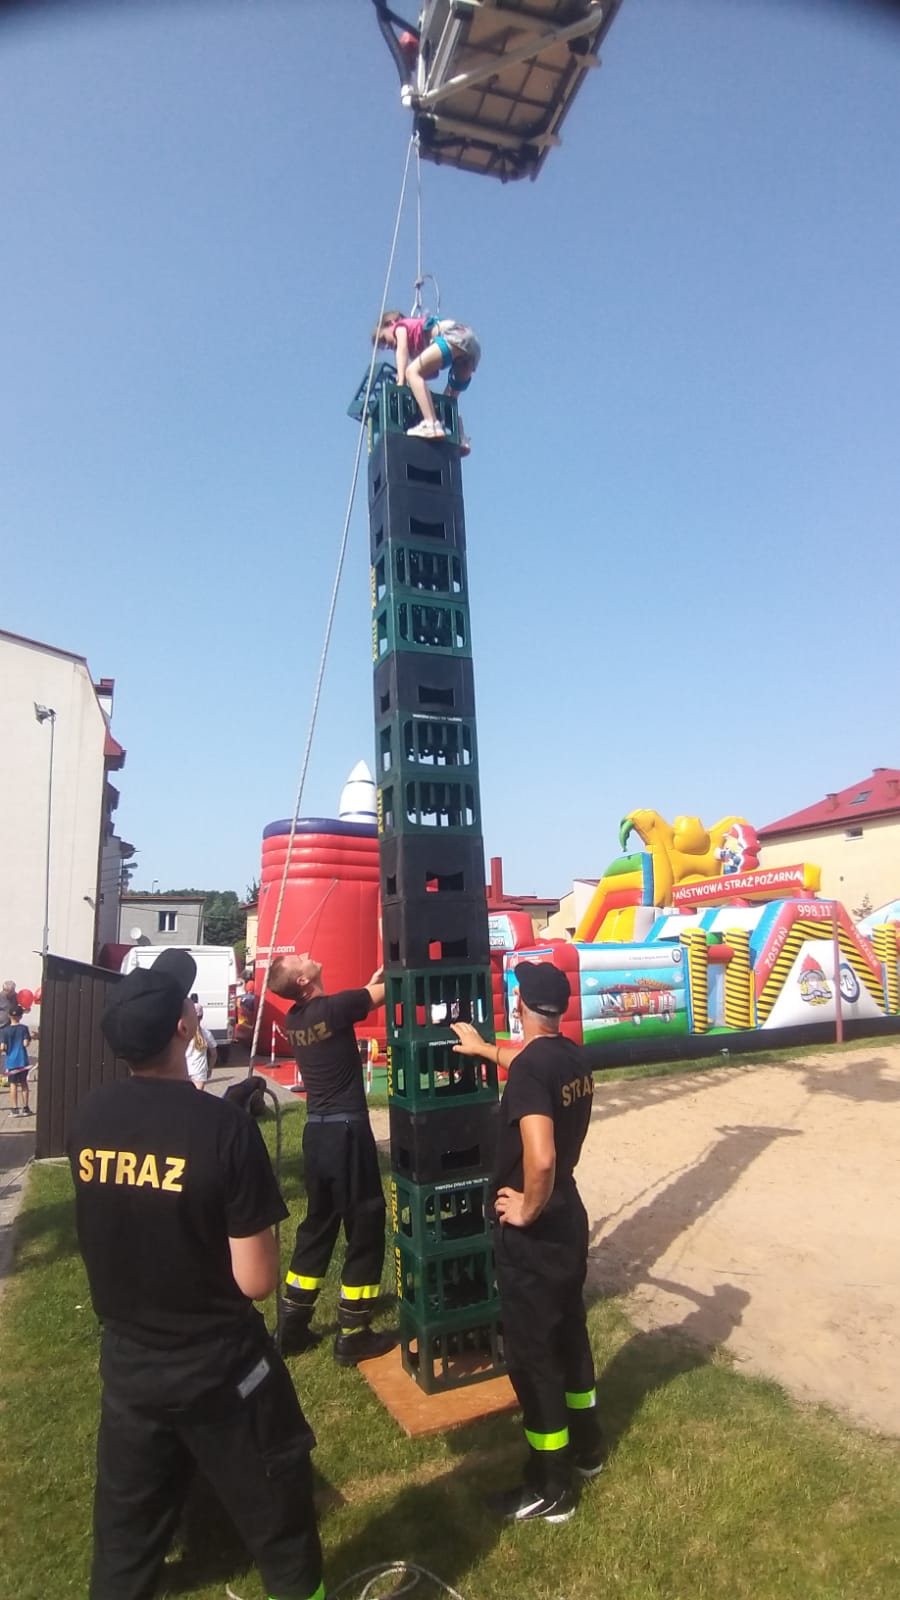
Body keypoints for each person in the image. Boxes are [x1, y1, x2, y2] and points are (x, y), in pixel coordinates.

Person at [68, 948, 324, 1600]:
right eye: (188, 1001)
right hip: (219, 1368)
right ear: (184, 1028)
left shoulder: (90, 1117)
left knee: (126, 1542)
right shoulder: (224, 1132)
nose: (194, 1006)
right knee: (282, 1525)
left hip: (130, 1366)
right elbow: (256, 1280)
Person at [451, 960, 604, 1524]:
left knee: (533, 1357)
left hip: (536, 1229)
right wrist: (485, 1050)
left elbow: (540, 1157)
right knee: (570, 1335)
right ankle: (588, 1448)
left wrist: (525, 1208)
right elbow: (529, 1062)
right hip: (570, 1219)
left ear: (519, 1006)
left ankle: (550, 1487)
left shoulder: (532, 1074)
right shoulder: (571, 1057)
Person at [266, 955, 396, 1365]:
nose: (307, 955)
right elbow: (394, 989)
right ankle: (354, 1332)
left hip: (317, 1133)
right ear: (304, 980)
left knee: (319, 1224)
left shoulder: (296, 1019)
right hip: (346, 1132)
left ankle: (292, 1324)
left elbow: (352, 1003)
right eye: (300, 960)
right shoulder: (335, 1008)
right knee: (365, 1222)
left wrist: (369, 984)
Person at [373, 310, 481, 449]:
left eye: (383, 340)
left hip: (455, 336)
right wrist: (416, 382)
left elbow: (402, 351)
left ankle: (431, 424)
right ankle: (461, 437)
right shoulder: (419, 340)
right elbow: (434, 373)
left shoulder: (400, 327)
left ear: (390, 323)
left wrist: (401, 381)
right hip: (471, 346)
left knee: (411, 372)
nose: (388, 346)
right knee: (447, 402)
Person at [1, 1005, 32, 1116]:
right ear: (21, 1016)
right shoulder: (24, 1028)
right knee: (24, 1084)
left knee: (13, 1085)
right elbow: (25, 1043)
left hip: (11, 1062)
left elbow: (2, 1047)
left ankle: (14, 1109)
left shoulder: (5, 1031)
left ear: (9, 1016)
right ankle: (26, 1108)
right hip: (22, 1060)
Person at [185, 993, 217, 1090]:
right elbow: (214, 1054)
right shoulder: (206, 1034)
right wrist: (210, 1068)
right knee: (197, 1096)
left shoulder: (183, 1033)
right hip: (200, 1072)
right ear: (202, 1017)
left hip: (185, 1070)